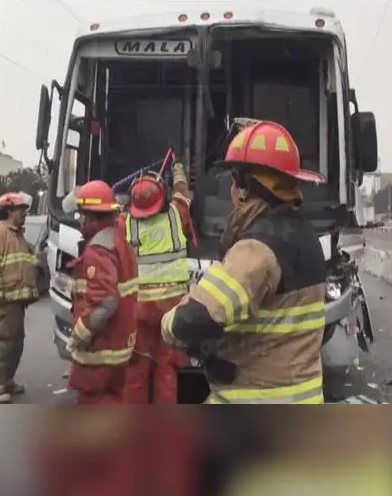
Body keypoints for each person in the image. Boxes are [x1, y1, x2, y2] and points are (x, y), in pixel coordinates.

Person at [161, 119, 329, 404]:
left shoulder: (257, 247)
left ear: (245, 186)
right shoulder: (304, 235)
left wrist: (168, 323)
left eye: (233, 180)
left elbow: (193, 319)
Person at [121, 159, 193, 403]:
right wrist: (179, 170)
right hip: (171, 308)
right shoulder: (175, 215)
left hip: (138, 308)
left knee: (136, 368)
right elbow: (182, 192)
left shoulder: (125, 223)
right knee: (166, 368)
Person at [63, 180, 140, 405]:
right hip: (119, 345)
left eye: (81, 215)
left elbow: (105, 302)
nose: (79, 220)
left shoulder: (98, 249)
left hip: (101, 348)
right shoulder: (118, 240)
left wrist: (78, 336)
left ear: (90, 216)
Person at [0, 191, 38, 403]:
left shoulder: (16, 233)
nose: (24, 214)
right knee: (0, 344)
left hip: (15, 301)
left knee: (15, 344)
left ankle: (6, 380)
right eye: (21, 210)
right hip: (1, 302)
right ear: (9, 211)